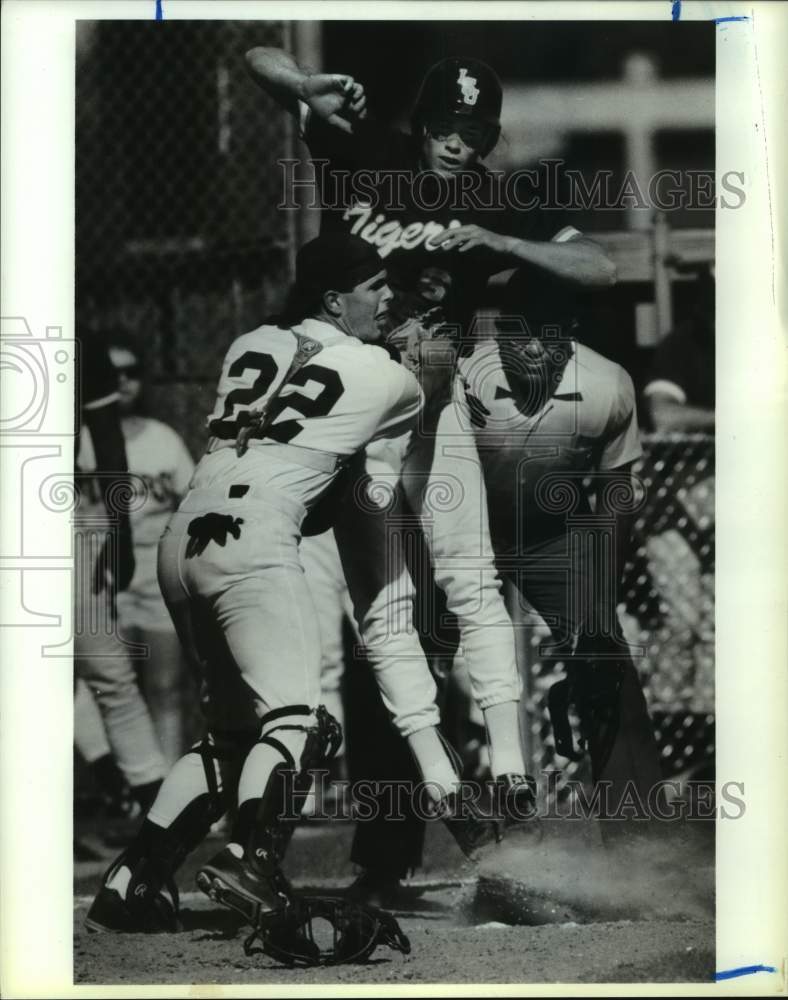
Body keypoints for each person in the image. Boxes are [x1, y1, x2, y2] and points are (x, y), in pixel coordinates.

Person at [245, 49, 618, 891]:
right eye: (448, 128)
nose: (460, 144)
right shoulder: (372, 152)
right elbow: (258, 59)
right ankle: (379, 834)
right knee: (370, 617)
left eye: (477, 130)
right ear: (423, 125)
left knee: (459, 589)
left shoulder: (494, 195)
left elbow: (604, 264)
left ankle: (505, 787)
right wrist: (304, 87)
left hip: (427, 405)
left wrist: (494, 238)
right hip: (339, 416)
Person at [85, 235, 509, 947]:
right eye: (372, 287)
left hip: (182, 541)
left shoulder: (249, 341)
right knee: (303, 724)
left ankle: (132, 880)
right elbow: (411, 406)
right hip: (254, 543)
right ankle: (254, 864)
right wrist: (424, 358)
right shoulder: (382, 375)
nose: (389, 299)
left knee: (227, 741)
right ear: (331, 299)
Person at [457, 272, 665, 830]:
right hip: (457, 528)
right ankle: (389, 859)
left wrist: (598, 600)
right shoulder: (460, 378)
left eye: (545, 336)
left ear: (569, 334)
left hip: (548, 532)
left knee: (605, 658)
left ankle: (641, 844)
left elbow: (618, 490)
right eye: (516, 334)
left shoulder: (607, 383)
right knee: (402, 656)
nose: (529, 348)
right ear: (497, 333)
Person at [75, 331, 167, 818]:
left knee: (108, 669)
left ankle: (157, 810)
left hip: (52, 515)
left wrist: (121, 532)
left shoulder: (79, 342)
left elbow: (109, 440)